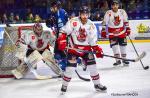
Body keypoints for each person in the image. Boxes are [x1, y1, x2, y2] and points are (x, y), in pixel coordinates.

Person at [57, 6, 107, 94]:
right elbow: (63, 31)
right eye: (83, 14)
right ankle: (64, 85)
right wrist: (62, 40)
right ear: (80, 14)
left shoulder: (91, 25)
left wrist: (97, 49)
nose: (84, 16)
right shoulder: (73, 21)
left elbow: (92, 40)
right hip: (74, 49)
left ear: (89, 15)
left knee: (93, 67)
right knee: (70, 69)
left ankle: (97, 84)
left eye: (86, 14)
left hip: (86, 50)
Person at [101, 0, 131, 66]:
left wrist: (128, 28)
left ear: (118, 5)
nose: (115, 6)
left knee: (123, 47)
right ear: (111, 6)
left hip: (121, 32)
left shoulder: (122, 12)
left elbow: (126, 20)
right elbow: (104, 22)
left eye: (116, 5)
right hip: (112, 34)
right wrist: (103, 30)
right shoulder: (108, 13)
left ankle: (124, 60)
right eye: (113, 5)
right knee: (115, 47)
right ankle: (118, 60)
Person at [46, 1, 69, 71]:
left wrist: (62, 37)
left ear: (56, 7)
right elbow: (51, 24)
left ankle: (64, 67)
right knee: (58, 54)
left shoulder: (60, 13)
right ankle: (63, 67)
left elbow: (62, 27)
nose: (51, 9)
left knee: (61, 53)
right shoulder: (55, 13)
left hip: (63, 36)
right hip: (59, 36)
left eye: (53, 7)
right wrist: (49, 23)